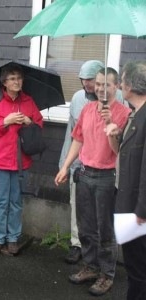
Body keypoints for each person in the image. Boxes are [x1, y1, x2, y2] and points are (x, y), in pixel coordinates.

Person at [55, 67, 131, 296]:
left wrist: (112, 129)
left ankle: (107, 274)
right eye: (98, 84)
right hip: (84, 174)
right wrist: (66, 166)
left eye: (106, 84)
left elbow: (120, 152)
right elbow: (78, 140)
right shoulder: (87, 109)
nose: (100, 88)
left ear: (116, 86)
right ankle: (90, 266)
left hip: (107, 178)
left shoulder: (124, 114)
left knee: (105, 229)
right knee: (86, 227)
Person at [0, 63, 43, 256]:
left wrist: (29, 122)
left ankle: (13, 238)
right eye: (13, 78)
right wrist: (4, 122)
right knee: (0, 201)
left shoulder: (28, 101)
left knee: (16, 201)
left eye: (19, 78)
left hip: (21, 161)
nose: (17, 81)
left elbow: (39, 125)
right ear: (4, 82)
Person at [105, 61, 146, 300]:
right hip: (128, 202)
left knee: (138, 268)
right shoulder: (135, 114)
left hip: (136, 209)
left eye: (121, 81)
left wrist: (141, 210)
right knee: (134, 265)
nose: (119, 85)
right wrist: (116, 134)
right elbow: (127, 154)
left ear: (129, 85)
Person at [59, 60, 104, 263]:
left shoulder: (115, 97)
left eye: (90, 80)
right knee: (77, 205)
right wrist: (65, 164)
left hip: (103, 164)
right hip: (79, 162)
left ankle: (100, 248)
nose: (86, 84)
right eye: (83, 80)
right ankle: (77, 244)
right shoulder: (78, 98)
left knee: (100, 208)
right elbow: (72, 133)